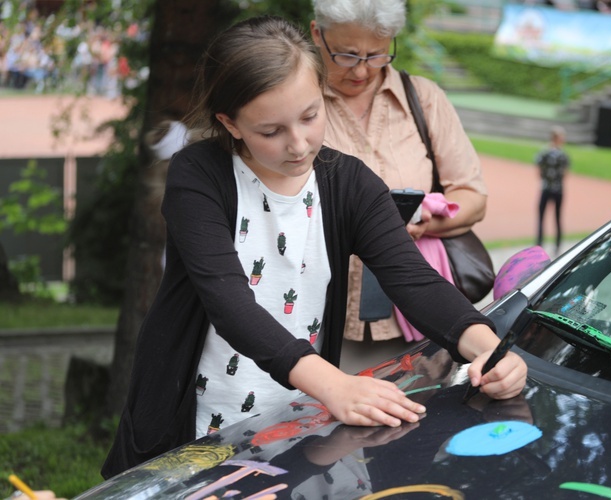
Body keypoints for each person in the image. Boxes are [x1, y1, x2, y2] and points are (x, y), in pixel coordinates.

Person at [101, 15, 527, 479]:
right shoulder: (198, 176)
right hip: (194, 418)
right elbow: (228, 303)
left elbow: (414, 279)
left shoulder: (350, 183)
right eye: (271, 131)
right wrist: (334, 385)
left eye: (310, 116)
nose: (299, 144)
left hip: (297, 418)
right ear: (230, 123)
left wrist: (489, 348)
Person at [309, 0, 490, 348]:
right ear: (318, 33)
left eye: (377, 55)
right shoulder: (299, 103)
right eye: (346, 55)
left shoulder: (423, 98)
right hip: (318, 312)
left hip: (416, 316)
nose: (362, 71)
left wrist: (422, 225)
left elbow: (473, 199)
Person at [534, 125, 569, 254]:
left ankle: (539, 244)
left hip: (546, 188)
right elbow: (565, 173)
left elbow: (538, 168)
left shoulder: (544, 152)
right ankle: (557, 245)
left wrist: (545, 179)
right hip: (558, 189)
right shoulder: (563, 155)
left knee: (542, 216)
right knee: (557, 217)